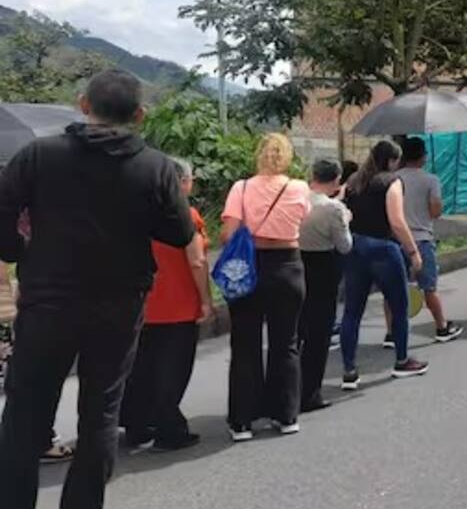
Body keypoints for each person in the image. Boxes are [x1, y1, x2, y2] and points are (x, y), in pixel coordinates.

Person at [0, 69, 194, 509]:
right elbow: (176, 232)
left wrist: (19, 250)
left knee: (24, 414)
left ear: (81, 104)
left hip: (46, 300)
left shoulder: (39, 156)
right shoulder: (154, 167)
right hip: (116, 303)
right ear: (140, 115)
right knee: (100, 412)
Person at [221, 133, 310, 442]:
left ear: (258, 155)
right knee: (285, 343)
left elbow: (229, 233)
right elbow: (303, 222)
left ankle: (242, 421)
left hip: (249, 266)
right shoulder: (299, 188)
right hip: (288, 267)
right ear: (287, 157)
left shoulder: (240, 188)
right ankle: (286, 415)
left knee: (245, 344)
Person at [120, 157, 213, 451]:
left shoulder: (133, 213)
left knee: (141, 365)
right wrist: (206, 300)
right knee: (173, 368)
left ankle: (136, 424)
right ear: (182, 183)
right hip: (179, 301)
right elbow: (197, 261)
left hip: (142, 301)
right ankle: (168, 427)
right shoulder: (186, 215)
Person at [342, 140, 428, 388]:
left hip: (355, 248)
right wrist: (413, 252)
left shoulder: (353, 182)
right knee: (399, 306)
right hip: (383, 249)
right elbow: (397, 221)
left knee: (352, 311)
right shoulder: (392, 182)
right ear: (392, 161)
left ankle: (349, 370)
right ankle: (402, 361)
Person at [297, 158, 352, 413]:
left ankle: (286, 388)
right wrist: (346, 218)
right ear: (336, 179)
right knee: (319, 335)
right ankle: (310, 392)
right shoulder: (333, 209)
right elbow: (345, 245)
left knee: (296, 331)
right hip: (323, 268)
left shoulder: (297, 197)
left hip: (296, 264)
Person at [397, 138, 463, 344]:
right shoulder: (431, 180)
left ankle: (391, 334)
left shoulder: (392, 179)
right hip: (422, 239)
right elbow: (435, 211)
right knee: (429, 287)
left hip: (397, 240)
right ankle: (441, 327)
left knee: (394, 288)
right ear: (423, 156)